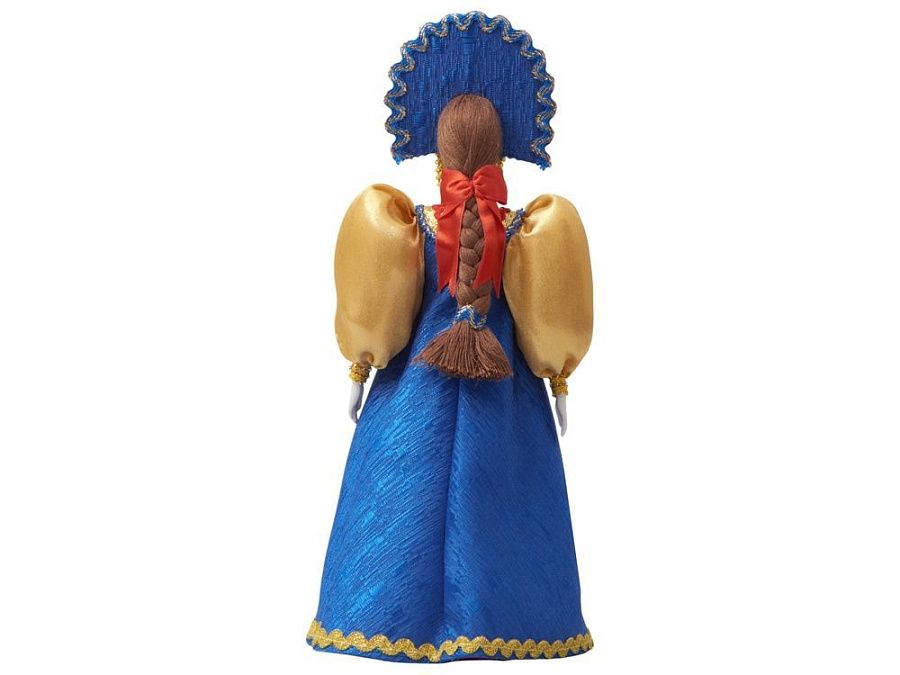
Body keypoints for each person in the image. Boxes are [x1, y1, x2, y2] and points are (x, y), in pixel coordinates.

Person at [307, 13, 594, 663]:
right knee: (505, 498)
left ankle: (381, 611)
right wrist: (559, 378)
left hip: (412, 391)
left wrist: (360, 368)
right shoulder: (530, 230)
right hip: (506, 397)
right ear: (503, 153)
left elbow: (375, 313)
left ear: (436, 154)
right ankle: (508, 617)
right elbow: (553, 320)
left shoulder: (400, 223)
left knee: (396, 493)